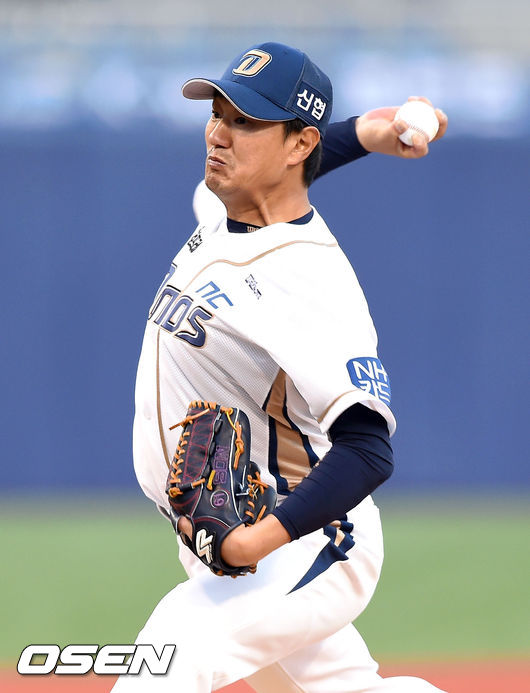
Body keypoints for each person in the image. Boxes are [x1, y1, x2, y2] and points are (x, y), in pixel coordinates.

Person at [113, 42, 448, 692]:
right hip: (233, 538)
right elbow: (290, 177)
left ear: (299, 143)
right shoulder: (224, 211)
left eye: (245, 120)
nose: (218, 133)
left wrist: (254, 543)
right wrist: (370, 132)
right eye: (218, 111)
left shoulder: (309, 281)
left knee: (169, 656)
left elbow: (367, 450)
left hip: (307, 538)